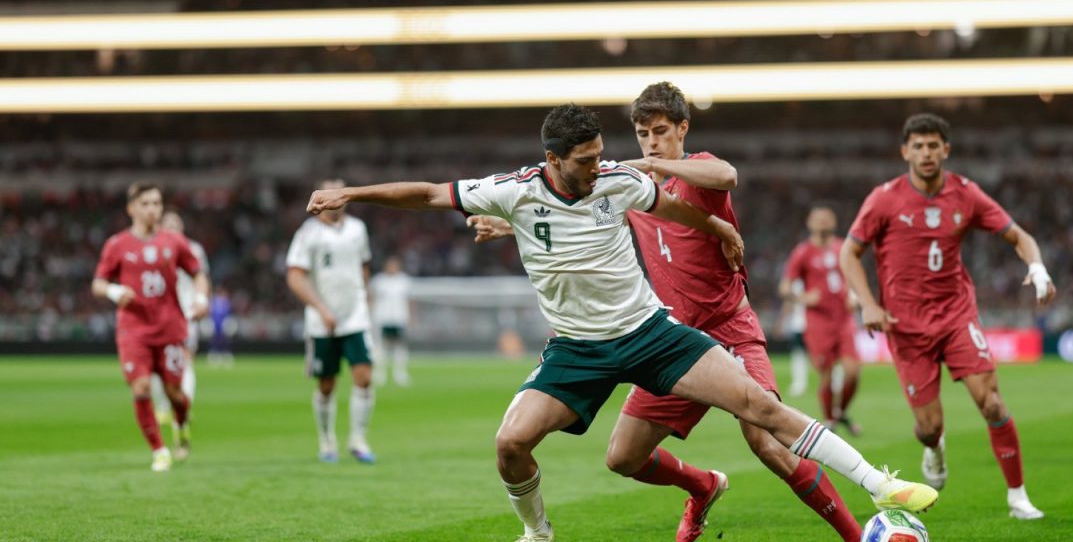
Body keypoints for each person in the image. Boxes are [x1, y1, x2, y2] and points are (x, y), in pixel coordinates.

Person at [306, 103, 937, 542]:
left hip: (650, 333)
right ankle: (537, 530)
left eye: (603, 154)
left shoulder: (615, 181)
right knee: (509, 443)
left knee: (756, 406)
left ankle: (879, 484)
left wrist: (718, 225)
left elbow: (672, 206)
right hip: (576, 350)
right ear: (554, 160)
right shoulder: (514, 190)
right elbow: (425, 193)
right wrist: (350, 194)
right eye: (586, 159)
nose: (601, 165)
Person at [474, 83, 865, 541]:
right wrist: (508, 224)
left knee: (767, 441)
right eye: (643, 135)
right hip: (670, 344)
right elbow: (574, 220)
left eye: (661, 131)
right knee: (623, 458)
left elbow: (727, 175)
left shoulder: (697, 173)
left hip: (729, 331)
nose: (651, 142)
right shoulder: (630, 193)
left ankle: (858, 535)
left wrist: (658, 165)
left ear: (683, 128)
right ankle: (702, 486)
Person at [840, 113, 1054, 520]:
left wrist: (1038, 267)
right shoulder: (884, 199)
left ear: (946, 150)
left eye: (933, 145)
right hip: (905, 327)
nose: (926, 153)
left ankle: (1018, 496)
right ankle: (935, 446)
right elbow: (848, 252)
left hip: (957, 316)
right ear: (905, 151)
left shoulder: (967, 193)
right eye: (917, 146)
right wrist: (867, 301)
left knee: (990, 402)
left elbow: (1018, 236)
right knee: (928, 426)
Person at [92, 182, 209, 471]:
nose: (152, 209)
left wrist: (202, 297)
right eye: (146, 204)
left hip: (170, 327)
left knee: (175, 393)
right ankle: (159, 450)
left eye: (157, 203)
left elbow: (197, 273)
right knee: (141, 388)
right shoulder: (117, 244)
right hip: (134, 329)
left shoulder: (174, 242)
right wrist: (114, 292)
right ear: (131, 208)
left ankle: (182, 424)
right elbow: (98, 283)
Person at [286, 178, 377, 464]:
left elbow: (363, 267)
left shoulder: (357, 229)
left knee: (364, 377)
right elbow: (295, 276)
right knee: (326, 384)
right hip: (321, 320)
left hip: (355, 317)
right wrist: (320, 307)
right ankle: (327, 440)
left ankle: (358, 439)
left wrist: (364, 298)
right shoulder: (307, 233)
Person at [781, 205, 863, 436]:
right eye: (818, 219)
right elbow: (785, 287)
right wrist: (803, 297)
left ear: (834, 222)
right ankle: (831, 419)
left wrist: (855, 296)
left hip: (843, 318)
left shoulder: (842, 249)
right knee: (826, 374)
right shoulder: (803, 252)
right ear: (810, 223)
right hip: (818, 322)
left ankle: (839, 413)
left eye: (827, 218)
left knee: (852, 372)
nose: (823, 222)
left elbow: (855, 277)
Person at [151, 210, 210, 443]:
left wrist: (201, 302)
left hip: (185, 313)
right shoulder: (153, 248)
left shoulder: (193, 250)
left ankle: (182, 408)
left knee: (185, 361)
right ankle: (164, 407)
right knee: (158, 364)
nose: (173, 228)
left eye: (177, 224)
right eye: (168, 224)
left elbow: (202, 278)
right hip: (157, 315)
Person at [370, 256, 414, 387]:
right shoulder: (379, 281)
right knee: (380, 346)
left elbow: (410, 300)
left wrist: (411, 316)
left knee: (400, 346)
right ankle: (379, 373)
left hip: (399, 318)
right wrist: (370, 315)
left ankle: (400, 373)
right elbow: (371, 298)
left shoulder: (404, 281)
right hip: (382, 317)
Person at [781, 279, 810, 398]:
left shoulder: (816, 279)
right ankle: (799, 384)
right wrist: (782, 321)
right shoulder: (797, 282)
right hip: (799, 324)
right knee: (798, 354)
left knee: (824, 354)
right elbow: (788, 302)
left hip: (816, 324)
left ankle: (833, 383)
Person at [206, 286, 235, 368]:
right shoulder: (213, 301)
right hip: (215, 324)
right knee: (214, 340)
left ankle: (226, 354)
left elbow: (229, 313)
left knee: (225, 340)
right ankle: (214, 354)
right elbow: (210, 312)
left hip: (223, 324)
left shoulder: (226, 301)